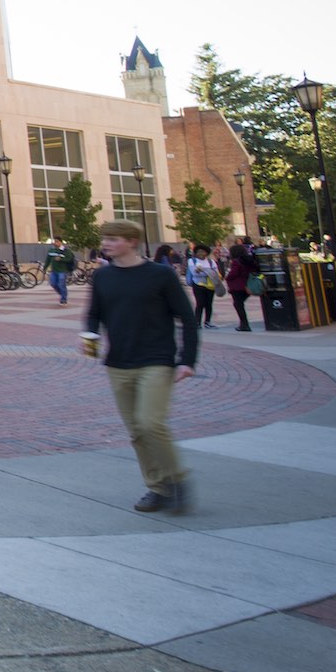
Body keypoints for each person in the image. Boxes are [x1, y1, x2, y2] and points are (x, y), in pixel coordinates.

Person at [85, 219, 198, 513]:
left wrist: (187, 360)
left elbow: (187, 317)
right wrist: (90, 336)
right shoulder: (102, 277)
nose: (106, 243)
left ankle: (177, 481)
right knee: (136, 430)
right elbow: (94, 313)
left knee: (151, 423)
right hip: (118, 362)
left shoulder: (160, 275)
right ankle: (158, 488)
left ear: (132, 241)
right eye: (105, 239)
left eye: (113, 238)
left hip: (156, 360)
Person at [224, 236, 256, 332]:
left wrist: (227, 277)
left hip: (237, 286)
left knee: (238, 305)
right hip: (247, 285)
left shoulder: (236, 262)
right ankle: (244, 324)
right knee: (240, 304)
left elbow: (234, 273)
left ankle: (244, 324)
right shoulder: (248, 260)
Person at [185, 243, 220, 329]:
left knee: (209, 304)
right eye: (198, 252)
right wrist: (207, 272)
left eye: (203, 252)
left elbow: (216, 273)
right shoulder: (192, 261)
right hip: (198, 284)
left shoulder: (211, 262)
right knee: (200, 303)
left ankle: (207, 322)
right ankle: (197, 322)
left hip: (210, 285)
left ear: (206, 253)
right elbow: (195, 273)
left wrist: (202, 271)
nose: (200, 253)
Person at [43, 237, 76, 305]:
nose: (55, 243)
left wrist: (61, 259)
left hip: (62, 270)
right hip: (54, 270)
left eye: (57, 241)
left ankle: (63, 299)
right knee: (53, 283)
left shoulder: (66, 251)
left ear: (61, 242)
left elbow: (70, 259)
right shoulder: (51, 250)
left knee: (61, 284)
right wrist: (45, 268)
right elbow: (48, 260)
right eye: (54, 241)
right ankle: (62, 293)